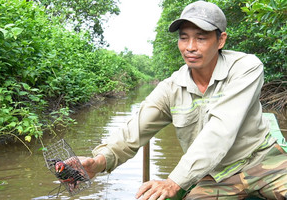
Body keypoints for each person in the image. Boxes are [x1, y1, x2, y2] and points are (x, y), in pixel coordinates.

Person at [77, 1, 287, 199]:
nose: (190, 47)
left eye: (201, 38)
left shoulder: (246, 67)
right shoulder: (171, 88)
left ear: (221, 40)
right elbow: (133, 132)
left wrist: (174, 182)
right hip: (217, 175)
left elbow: (221, 130)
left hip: (263, 161)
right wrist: (97, 162)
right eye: (184, 37)